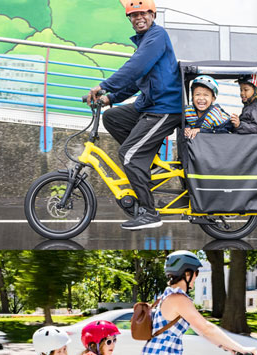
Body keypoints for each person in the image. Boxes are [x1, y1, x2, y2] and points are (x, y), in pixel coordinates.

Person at [82, 0, 185, 231]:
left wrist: (104, 86)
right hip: (148, 104)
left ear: (153, 14)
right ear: (129, 19)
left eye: (143, 13)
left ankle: (149, 212)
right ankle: (146, 158)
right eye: (133, 15)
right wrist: (110, 98)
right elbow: (138, 79)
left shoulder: (157, 36)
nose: (138, 18)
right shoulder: (145, 41)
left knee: (128, 153)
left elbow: (136, 66)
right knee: (113, 118)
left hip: (165, 108)